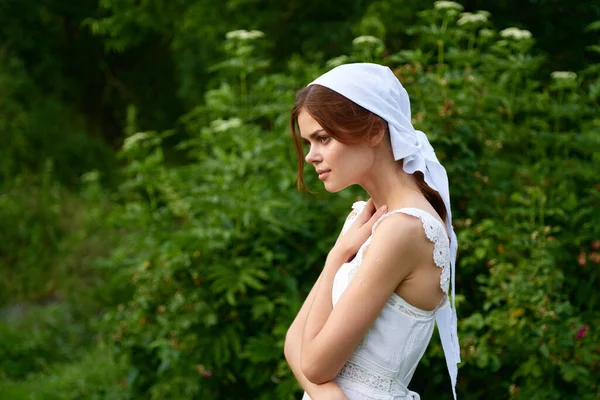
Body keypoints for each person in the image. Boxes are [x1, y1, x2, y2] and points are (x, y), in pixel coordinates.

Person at [283, 63, 461, 400]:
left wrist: (322, 387)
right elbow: (295, 340)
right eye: (308, 142)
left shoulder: (406, 229)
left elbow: (316, 364)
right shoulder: (364, 219)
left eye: (323, 138)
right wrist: (326, 395)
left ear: (374, 131)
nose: (310, 157)